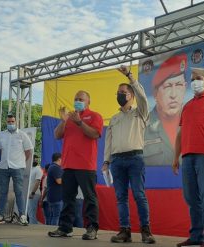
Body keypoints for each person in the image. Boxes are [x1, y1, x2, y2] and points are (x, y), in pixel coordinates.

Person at [102, 65, 156, 244]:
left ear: (131, 95)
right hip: (117, 161)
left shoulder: (140, 112)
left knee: (139, 194)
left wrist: (130, 77)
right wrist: (106, 161)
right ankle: (124, 231)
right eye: (118, 92)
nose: (120, 95)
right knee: (121, 197)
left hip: (135, 159)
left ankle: (146, 231)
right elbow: (108, 142)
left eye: (123, 92)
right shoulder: (114, 119)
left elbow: (142, 95)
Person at [48, 90, 103, 240]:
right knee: (68, 198)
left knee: (90, 198)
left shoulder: (95, 116)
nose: (78, 101)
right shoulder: (69, 118)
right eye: (75, 98)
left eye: (81, 99)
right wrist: (64, 120)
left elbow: (94, 134)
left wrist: (79, 122)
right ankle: (65, 228)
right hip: (68, 165)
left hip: (86, 165)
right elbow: (57, 135)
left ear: (88, 102)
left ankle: (91, 228)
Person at [172, 74, 204, 247]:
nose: (195, 82)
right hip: (187, 157)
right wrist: (176, 156)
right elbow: (180, 133)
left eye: (198, 78)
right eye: (192, 80)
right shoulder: (187, 106)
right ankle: (197, 235)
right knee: (191, 198)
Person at [144, 53, 187, 166]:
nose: (173, 94)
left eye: (178, 85)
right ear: (155, 93)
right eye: (167, 86)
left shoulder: (193, 122)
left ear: (185, 87)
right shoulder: (142, 126)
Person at [0, 114, 33, 226]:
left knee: (18, 191)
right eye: (8, 122)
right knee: (3, 192)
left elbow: (28, 151)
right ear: (6, 122)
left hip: (18, 167)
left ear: (16, 122)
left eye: (12, 122)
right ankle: (0, 215)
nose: (10, 124)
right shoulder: (1, 135)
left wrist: (21, 161)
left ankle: (22, 215)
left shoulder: (22, 135)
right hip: (3, 167)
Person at [45, 153, 63, 226]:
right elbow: (59, 181)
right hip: (56, 196)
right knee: (56, 216)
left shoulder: (52, 167)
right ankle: (53, 230)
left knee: (53, 216)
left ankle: (51, 229)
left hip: (52, 195)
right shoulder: (56, 167)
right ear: (59, 159)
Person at [28, 154, 43, 224]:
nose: (35, 160)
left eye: (36, 159)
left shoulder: (38, 169)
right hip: (29, 193)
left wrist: (32, 193)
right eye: (34, 159)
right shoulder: (30, 168)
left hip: (34, 194)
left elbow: (37, 182)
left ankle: (33, 228)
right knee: (30, 212)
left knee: (31, 213)